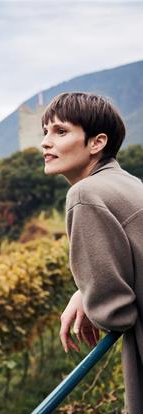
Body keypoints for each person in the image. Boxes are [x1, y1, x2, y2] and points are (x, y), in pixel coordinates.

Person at [41, 92, 143, 414]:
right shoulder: (128, 184)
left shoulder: (85, 194)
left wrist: (92, 294)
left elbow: (116, 314)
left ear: (97, 142)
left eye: (60, 131)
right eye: (44, 132)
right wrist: (84, 290)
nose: (46, 143)